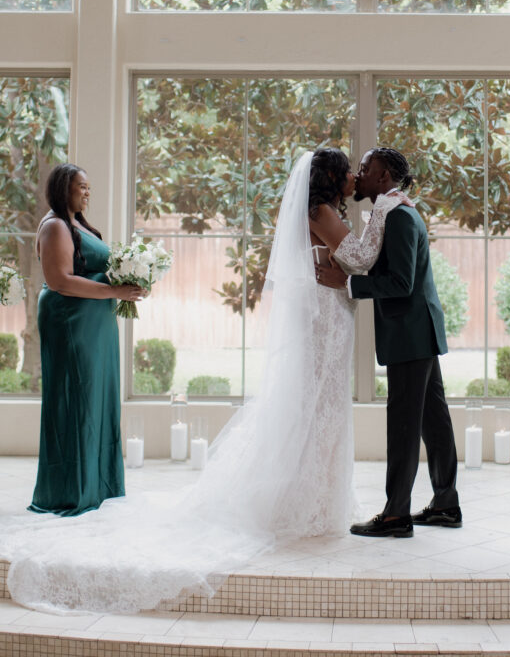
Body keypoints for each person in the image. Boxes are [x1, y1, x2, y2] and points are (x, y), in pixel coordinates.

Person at [2, 147, 404, 613]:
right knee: (317, 411)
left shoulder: (327, 211)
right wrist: (386, 207)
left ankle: (317, 498)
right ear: (331, 177)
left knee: (321, 412)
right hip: (324, 321)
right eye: (348, 170)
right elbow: (360, 256)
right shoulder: (321, 211)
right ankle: (306, 501)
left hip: (330, 317)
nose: (354, 176)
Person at [316, 147, 461, 539]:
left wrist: (347, 283)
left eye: (365, 169)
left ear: (383, 177)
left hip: (410, 333)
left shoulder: (397, 216)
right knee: (433, 420)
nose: (358, 175)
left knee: (403, 425)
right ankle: (446, 504)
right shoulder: (395, 212)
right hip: (417, 331)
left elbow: (400, 282)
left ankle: (396, 515)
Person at [30, 164, 147, 516]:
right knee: (77, 399)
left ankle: (100, 484)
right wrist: (116, 291)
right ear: (62, 188)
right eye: (81, 186)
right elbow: (60, 281)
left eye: (88, 187)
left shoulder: (76, 223)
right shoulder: (55, 226)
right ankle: (71, 490)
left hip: (95, 326)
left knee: (97, 398)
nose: (87, 192)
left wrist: (131, 280)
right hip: (71, 324)